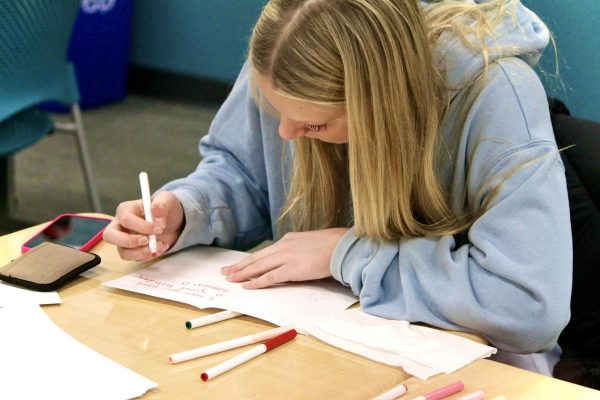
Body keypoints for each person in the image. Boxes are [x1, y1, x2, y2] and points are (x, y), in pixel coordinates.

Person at [103, 0, 571, 376]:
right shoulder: (284, 57)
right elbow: (243, 174)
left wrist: (345, 253)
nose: (285, 133)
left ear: (379, 100)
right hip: (323, 337)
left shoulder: (496, 92)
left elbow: (529, 303)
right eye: (274, 110)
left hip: (471, 368)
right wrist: (188, 208)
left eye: (314, 123)